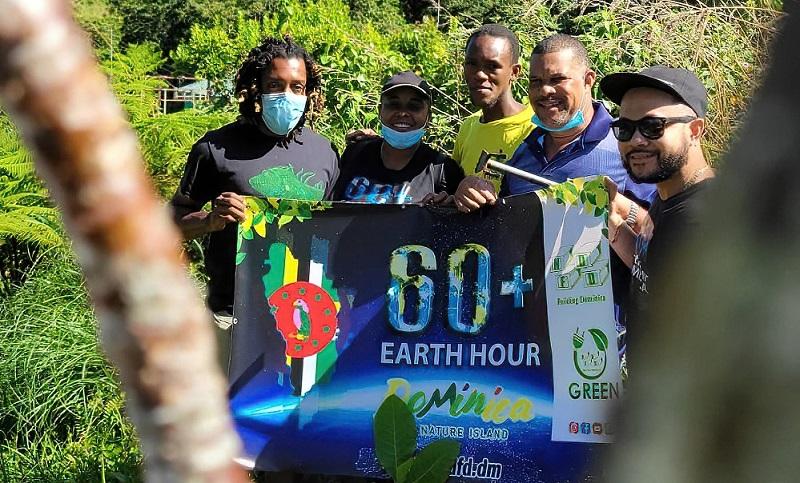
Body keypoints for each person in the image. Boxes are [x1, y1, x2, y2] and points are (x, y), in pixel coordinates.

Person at [170, 36, 339, 355]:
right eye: (275, 85)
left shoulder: (325, 153)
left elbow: (337, 231)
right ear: (255, 88)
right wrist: (209, 221)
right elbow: (170, 222)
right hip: (232, 318)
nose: (286, 95)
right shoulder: (216, 149)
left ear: (308, 92)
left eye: (296, 87)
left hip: (306, 321)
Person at [453, 33, 655, 211]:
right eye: (536, 82)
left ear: (588, 80)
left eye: (557, 79)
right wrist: (468, 197)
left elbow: (659, 230)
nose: (545, 91)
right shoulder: (522, 153)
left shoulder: (626, 145)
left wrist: (621, 211)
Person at [600, 65, 714, 334]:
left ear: (695, 130)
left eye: (653, 126)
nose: (637, 140)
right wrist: (613, 219)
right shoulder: (667, 195)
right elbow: (652, 273)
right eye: (625, 128)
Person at [330, 71, 464, 204]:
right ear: (380, 111)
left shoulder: (443, 170)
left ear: (428, 117)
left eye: (414, 106)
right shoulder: (355, 154)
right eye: (393, 105)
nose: (403, 113)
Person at [453, 24, 534, 183]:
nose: (480, 75)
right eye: (472, 64)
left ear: (514, 72)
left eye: (492, 66)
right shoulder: (468, 127)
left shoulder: (536, 130)